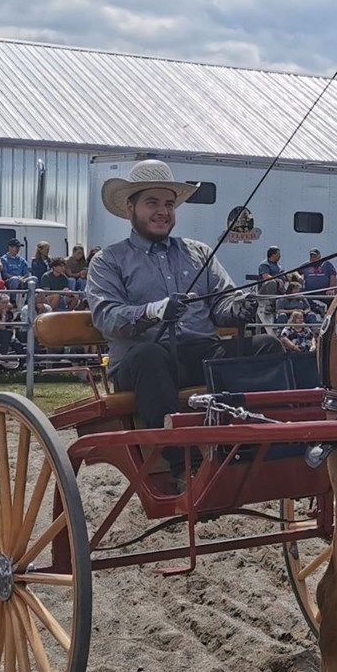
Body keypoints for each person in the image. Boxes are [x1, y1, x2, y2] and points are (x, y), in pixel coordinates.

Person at [87, 159, 282, 453]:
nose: (162, 211)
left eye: (169, 204)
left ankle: (270, 444)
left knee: (267, 345)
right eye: (152, 203)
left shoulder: (198, 252)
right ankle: (179, 461)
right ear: (130, 208)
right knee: (148, 355)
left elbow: (221, 304)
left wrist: (242, 306)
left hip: (202, 354)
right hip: (145, 362)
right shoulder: (108, 261)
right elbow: (107, 317)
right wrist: (153, 311)